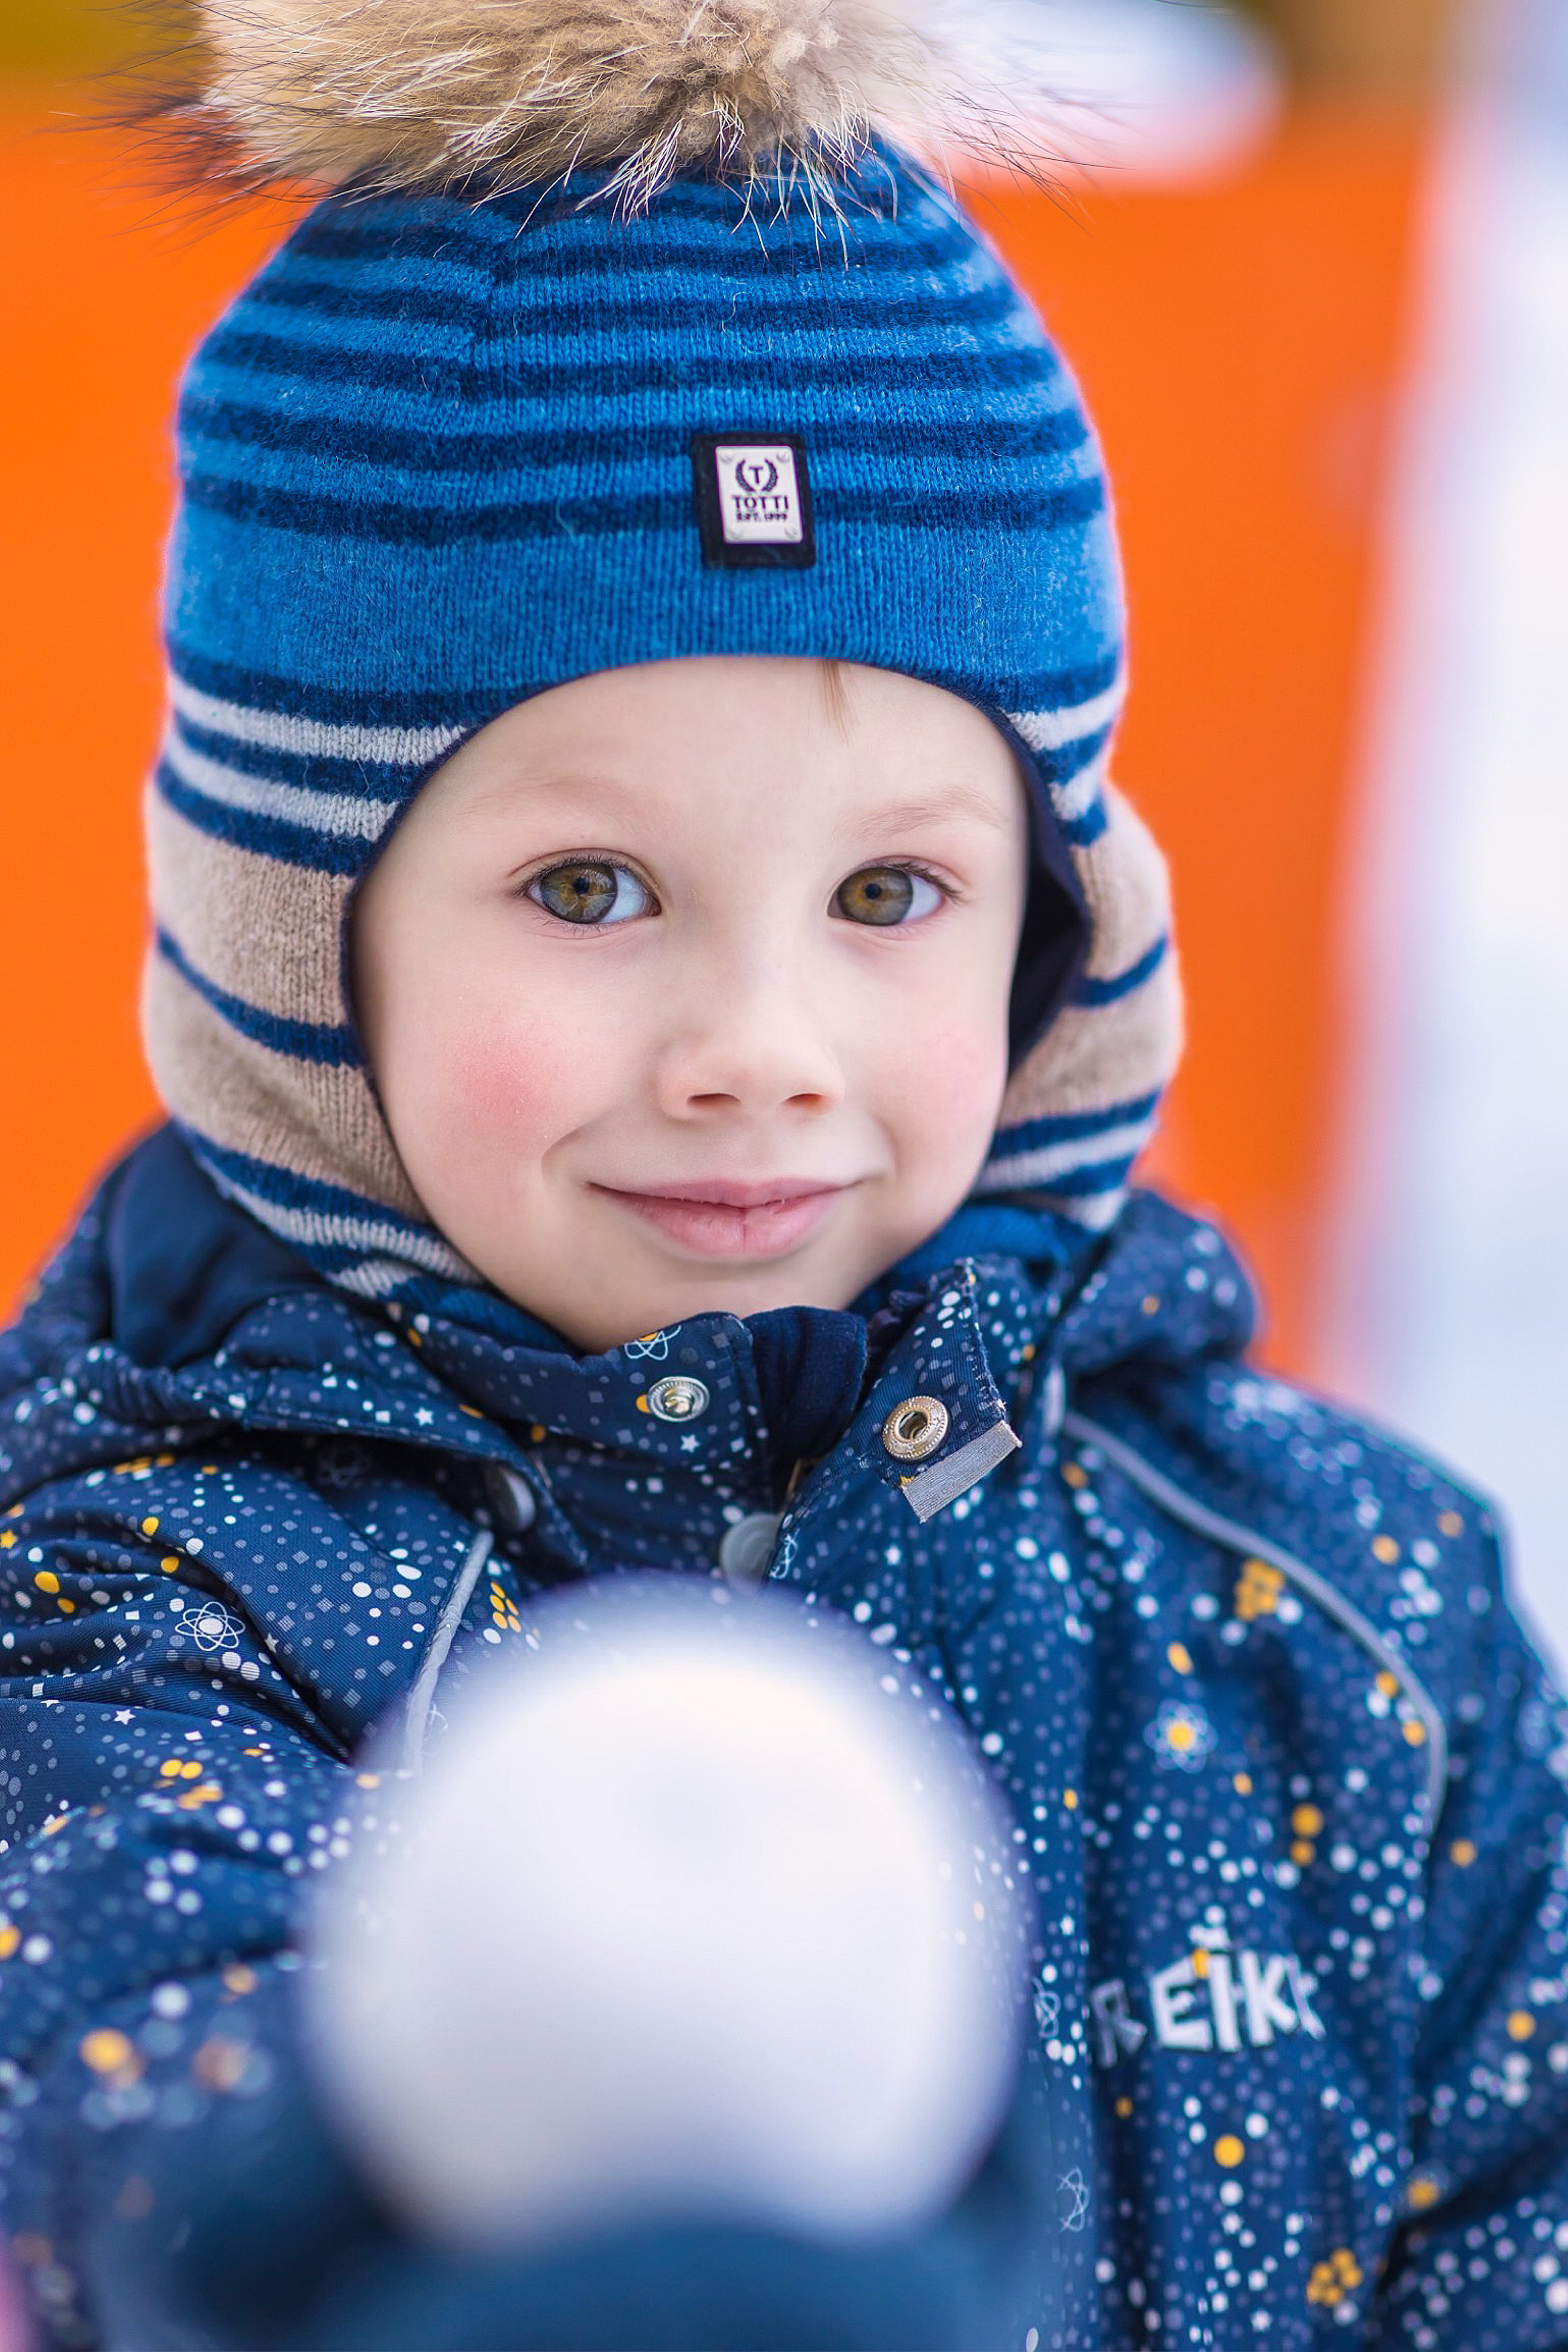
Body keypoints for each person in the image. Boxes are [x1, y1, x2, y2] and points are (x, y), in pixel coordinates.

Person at [3, 0, 1567, 2345]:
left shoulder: (1342, 1629)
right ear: (300, 941)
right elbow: (142, 2084)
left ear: (1054, 923)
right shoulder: (146, 1610)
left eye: (888, 899)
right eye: (594, 893)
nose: (758, 1054)